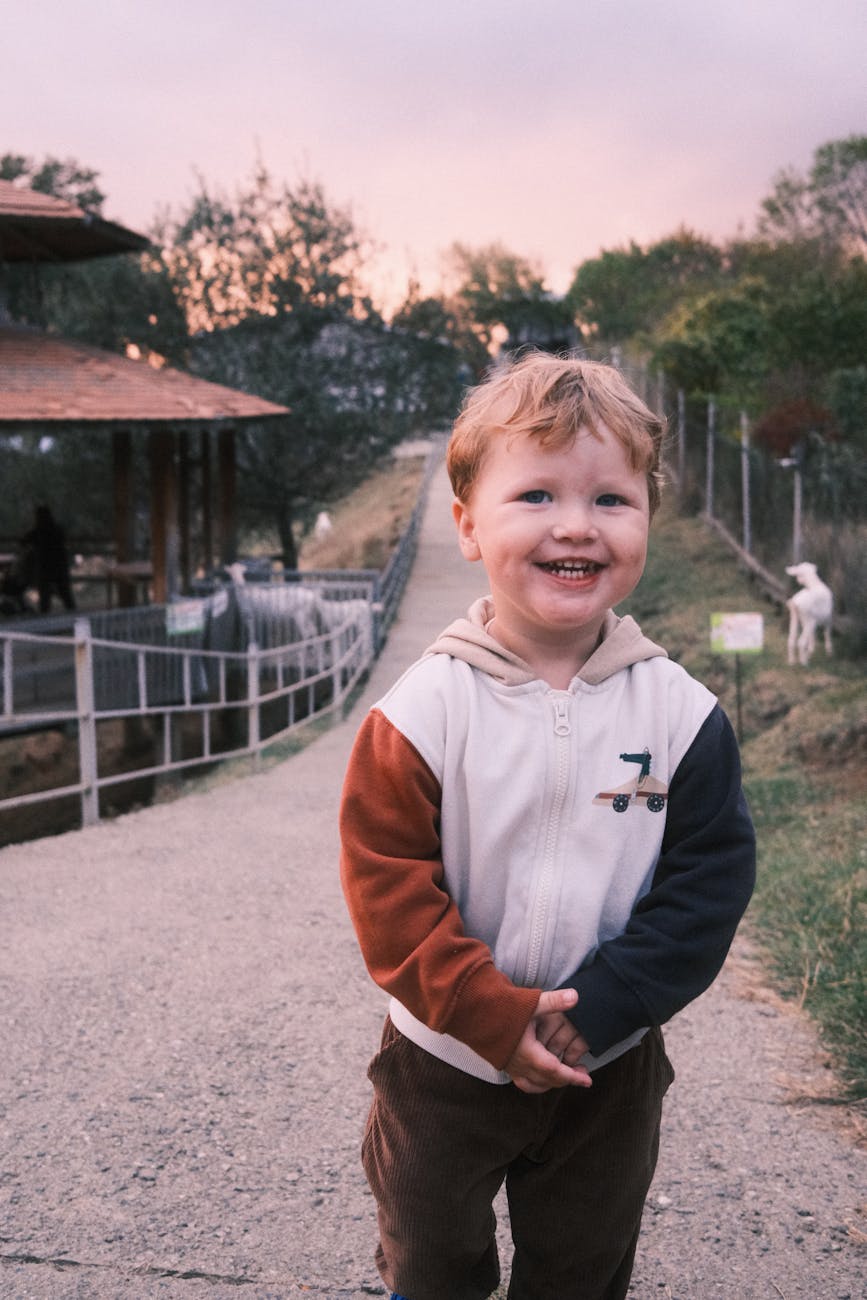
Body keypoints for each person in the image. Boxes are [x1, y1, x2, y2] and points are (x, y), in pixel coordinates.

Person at [339, 352, 756, 1300]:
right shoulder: (420, 710)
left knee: (582, 1263)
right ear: (468, 527)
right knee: (432, 1256)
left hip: (602, 1067)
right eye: (534, 495)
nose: (575, 525)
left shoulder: (683, 716)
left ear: (649, 519)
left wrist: (601, 1013)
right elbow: (386, 887)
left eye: (612, 499)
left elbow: (707, 884)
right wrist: (487, 1013)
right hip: (441, 1056)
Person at [23, 505, 75, 614]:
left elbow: (23, 541)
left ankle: (45, 618)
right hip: (58, 567)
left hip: (46, 568)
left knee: (46, 598)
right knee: (65, 594)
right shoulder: (57, 529)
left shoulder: (38, 531)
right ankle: (74, 616)